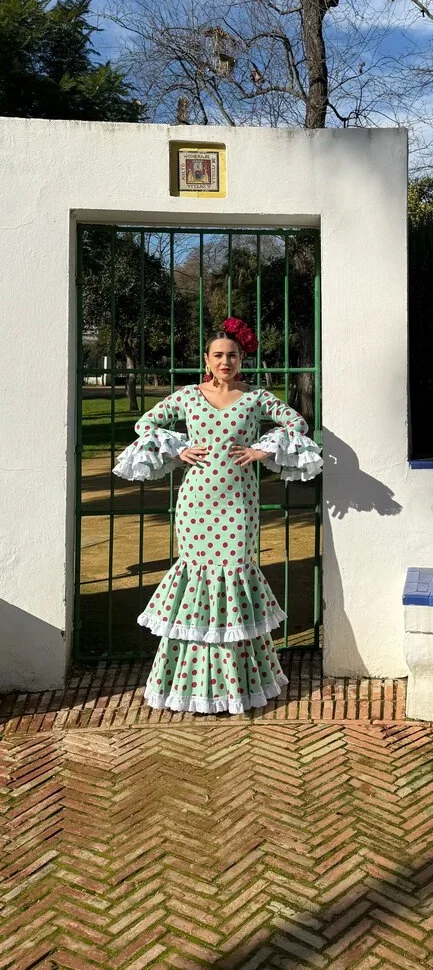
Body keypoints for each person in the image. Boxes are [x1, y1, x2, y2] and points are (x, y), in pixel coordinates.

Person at [112, 317, 323, 714]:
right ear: (207, 360)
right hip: (196, 503)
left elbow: (297, 423)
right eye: (218, 355)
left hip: (239, 503)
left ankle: (240, 684)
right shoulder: (188, 396)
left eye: (233, 355)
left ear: (242, 359)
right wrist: (178, 450)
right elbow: (145, 423)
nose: (226, 362)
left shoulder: (256, 397)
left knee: (236, 574)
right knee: (196, 576)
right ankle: (189, 684)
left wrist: (262, 450)